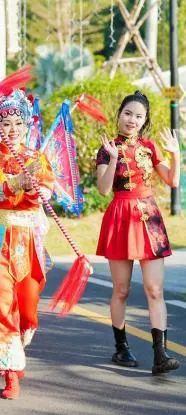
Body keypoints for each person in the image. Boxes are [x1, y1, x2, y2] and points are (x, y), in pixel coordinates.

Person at [0, 89, 55, 399]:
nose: (12, 129)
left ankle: (22, 336)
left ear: (27, 125)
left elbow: (45, 191)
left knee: (28, 308)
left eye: (18, 123)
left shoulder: (37, 158)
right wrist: (15, 183)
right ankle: (10, 371)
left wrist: (39, 190)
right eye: (5, 123)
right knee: (2, 304)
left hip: (28, 238)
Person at [96, 90, 181, 375]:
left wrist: (176, 154)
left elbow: (172, 180)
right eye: (128, 113)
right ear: (120, 114)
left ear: (145, 121)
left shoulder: (149, 147)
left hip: (149, 219)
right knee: (121, 290)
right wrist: (112, 158)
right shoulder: (107, 148)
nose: (132, 120)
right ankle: (121, 348)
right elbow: (104, 189)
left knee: (155, 289)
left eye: (138, 116)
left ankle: (160, 354)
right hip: (120, 217)